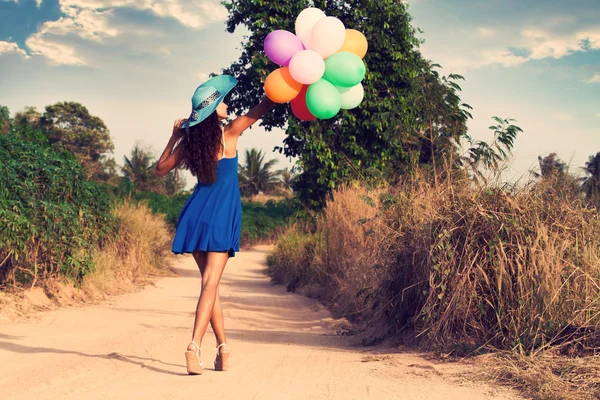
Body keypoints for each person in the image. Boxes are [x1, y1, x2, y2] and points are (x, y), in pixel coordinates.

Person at [156, 75, 275, 375]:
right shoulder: (230, 133)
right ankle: (193, 347)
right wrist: (278, 84)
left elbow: (160, 169)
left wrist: (175, 135)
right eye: (221, 101)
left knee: (211, 286)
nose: (226, 104)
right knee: (210, 284)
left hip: (195, 216)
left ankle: (223, 349)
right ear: (212, 111)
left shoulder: (190, 142)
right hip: (221, 217)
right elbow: (262, 107)